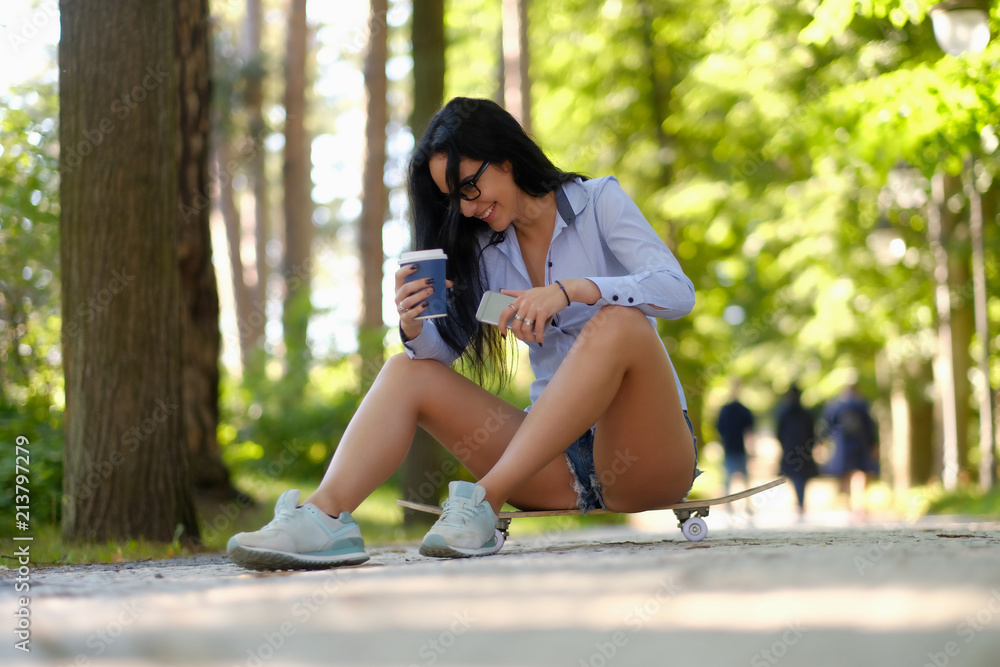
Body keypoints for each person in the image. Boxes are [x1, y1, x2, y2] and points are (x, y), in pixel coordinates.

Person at [227, 97, 700, 570]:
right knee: (405, 369)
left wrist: (573, 290)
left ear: (507, 159)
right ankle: (323, 517)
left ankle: (482, 504)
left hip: (644, 457)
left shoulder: (599, 203)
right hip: (553, 465)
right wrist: (414, 326)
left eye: (470, 187)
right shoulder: (485, 247)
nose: (467, 208)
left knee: (619, 319)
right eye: (453, 198)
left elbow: (678, 291)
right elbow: (441, 358)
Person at [822, 381, 878, 515]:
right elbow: (870, 427)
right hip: (861, 444)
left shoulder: (835, 406)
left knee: (845, 474)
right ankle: (859, 505)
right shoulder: (862, 405)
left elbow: (827, 426)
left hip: (842, 446)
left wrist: (826, 443)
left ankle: (848, 505)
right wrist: (873, 444)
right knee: (859, 474)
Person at [775, 384, 818, 517]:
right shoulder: (804, 413)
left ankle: (799, 502)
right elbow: (812, 432)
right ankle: (800, 502)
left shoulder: (784, 413)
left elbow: (779, 432)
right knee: (801, 478)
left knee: (796, 477)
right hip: (803, 449)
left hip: (791, 450)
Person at [715, 381, 755, 496]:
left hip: (738, 449)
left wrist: (751, 449)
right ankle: (731, 505)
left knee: (742, 480)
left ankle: (746, 504)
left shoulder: (741, 410)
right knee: (730, 479)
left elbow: (749, 432)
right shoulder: (726, 411)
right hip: (730, 449)